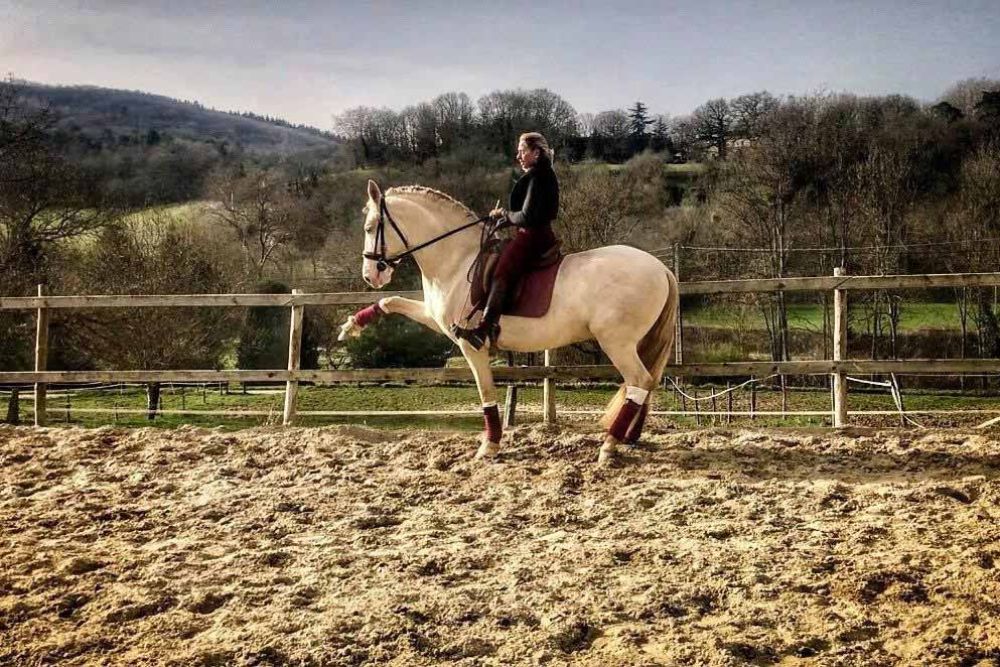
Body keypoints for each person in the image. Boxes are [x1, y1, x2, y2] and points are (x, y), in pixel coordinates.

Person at [452, 132, 560, 349]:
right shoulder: (541, 174)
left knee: (503, 270)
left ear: (536, 153)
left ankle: (484, 329)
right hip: (533, 233)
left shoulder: (539, 177)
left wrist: (504, 214)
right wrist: (506, 219)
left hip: (533, 236)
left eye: (522, 151)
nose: (518, 156)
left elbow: (528, 216)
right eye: (519, 152)